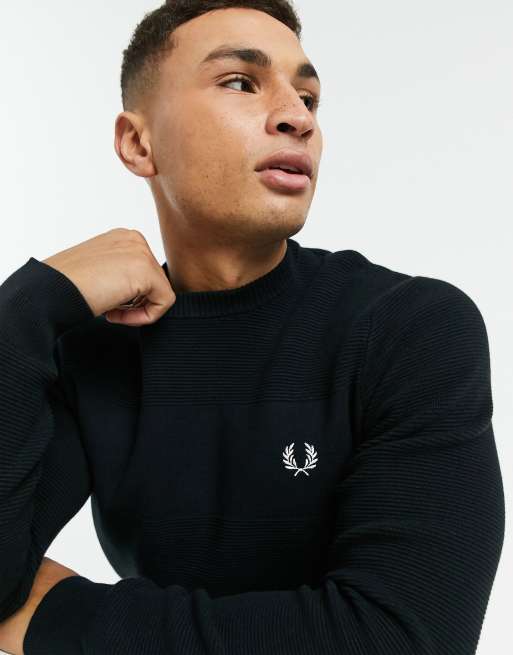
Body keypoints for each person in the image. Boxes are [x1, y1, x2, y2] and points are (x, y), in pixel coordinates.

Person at [0, 2, 505, 654]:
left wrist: (54, 616)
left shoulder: (411, 328)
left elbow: (402, 638)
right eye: (241, 82)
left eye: (308, 97)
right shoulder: (92, 352)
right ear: (138, 144)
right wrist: (25, 307)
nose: (298, 117)